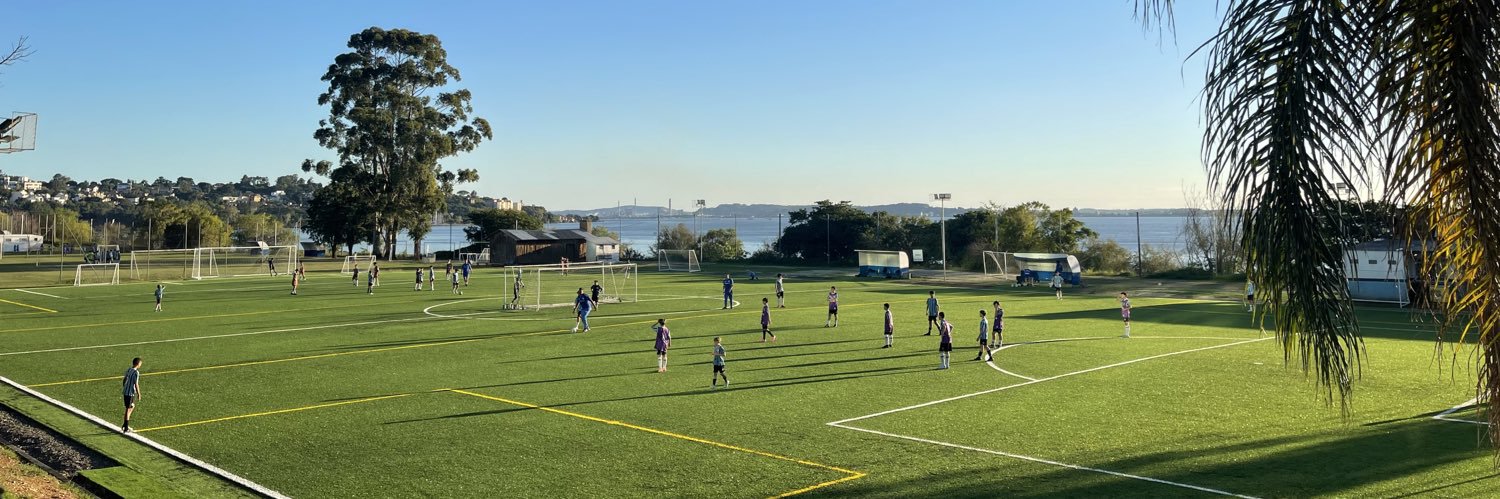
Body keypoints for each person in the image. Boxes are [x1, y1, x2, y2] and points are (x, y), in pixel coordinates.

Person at [121, 357, 141, 433]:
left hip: (126, 391)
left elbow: (125, 379)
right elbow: (136, 384)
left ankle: (125, 424)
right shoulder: (136, 372)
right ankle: (125, 427)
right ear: (138, 364)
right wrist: (139, 393)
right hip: (130, 393)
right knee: (128, 408)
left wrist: (124, 386)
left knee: (131, 407)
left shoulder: (129, 369)